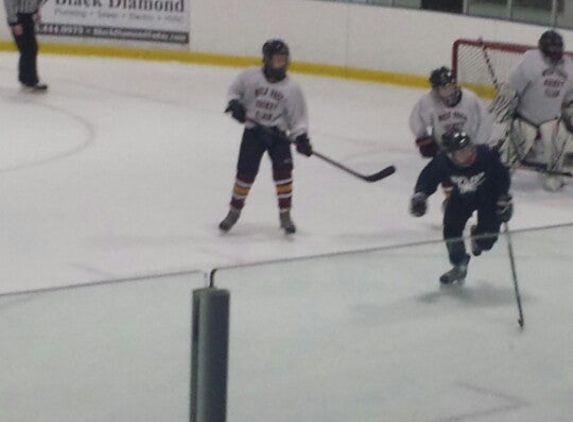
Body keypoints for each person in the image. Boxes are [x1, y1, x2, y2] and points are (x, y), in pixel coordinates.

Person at [218, 39, 313, 235]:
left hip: (278, 137)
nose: (282, 64)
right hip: (253, 132)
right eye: (277, 60)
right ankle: (234, 211)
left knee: (284, 173)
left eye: (284, 60)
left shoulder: (292, 89)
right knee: (245, 173)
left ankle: (285, 214)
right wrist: (235, 104)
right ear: (267, 60)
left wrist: (301, 138)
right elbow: (233, 92)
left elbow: (298, 118)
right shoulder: (250, 76)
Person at [409, 131, 513, 286]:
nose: (469, 155)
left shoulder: (484, 155)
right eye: (462, 153)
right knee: (451, 231)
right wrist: (420, 195)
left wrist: (503, 198)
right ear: (451, 156)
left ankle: (478, 236)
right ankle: (459, 265)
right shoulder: (442, 161)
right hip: (461, 198)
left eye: (469, 149)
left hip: (488, 198)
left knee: (486, 242)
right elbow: (428, 177)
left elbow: (502, 175)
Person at [489, 29, 573, 191]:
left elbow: (570, 98)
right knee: (515, 146)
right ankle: (503, 173)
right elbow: (512, 88)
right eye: (552, 49)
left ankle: (552, 173)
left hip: (551, 118)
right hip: (525, 116)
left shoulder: (570, 67)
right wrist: (507, 105)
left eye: (558, 49)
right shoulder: (529, 60)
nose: (555, 53)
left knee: (558, 138)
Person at [409, 66, 493, 209]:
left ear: (455, 84)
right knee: (438, 167)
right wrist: (423, 138)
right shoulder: (428, 101)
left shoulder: (470, 99)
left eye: (450, 85)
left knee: (473, 178)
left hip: (468, 149)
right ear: (436, 90)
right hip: (444, 147)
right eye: (443, 88)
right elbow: (416, 119)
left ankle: (467, 202)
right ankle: (423, 194)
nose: (448, 91)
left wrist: (479, 146)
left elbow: (485, 121)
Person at [3, 0, 48, 91]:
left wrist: (35, 11)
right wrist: (14, 23)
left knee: (30, 49)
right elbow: (9, 3)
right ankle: (29, 80)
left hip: (28, 17)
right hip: (19, 18)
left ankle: (26, 79)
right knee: (28, 49)